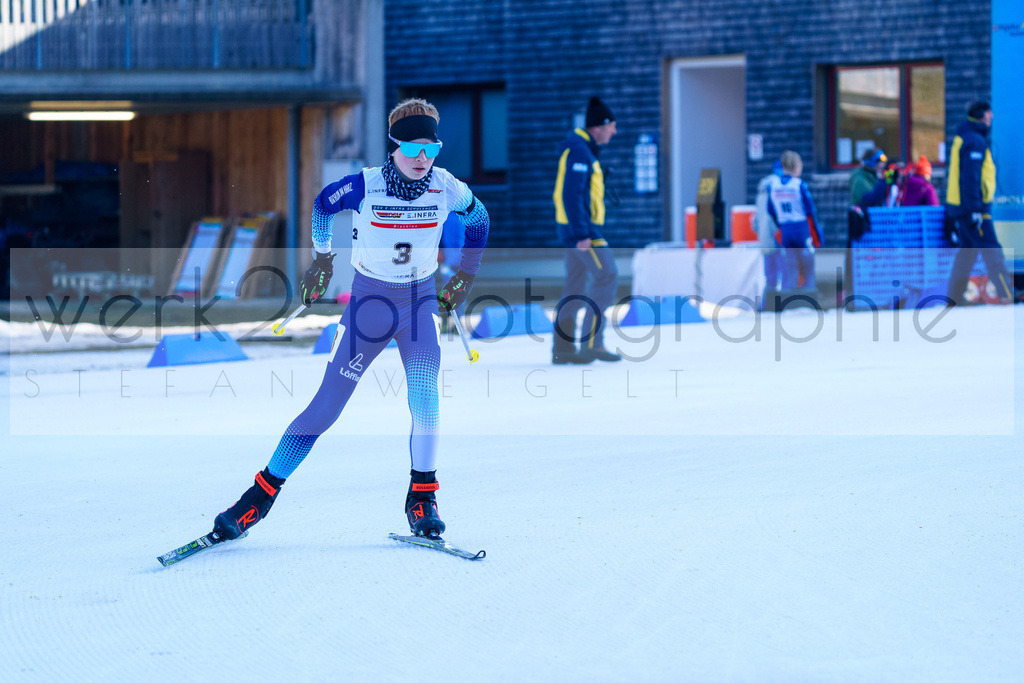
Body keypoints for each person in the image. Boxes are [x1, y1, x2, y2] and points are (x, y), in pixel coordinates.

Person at [209, 98, 490, 541]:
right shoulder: (367, 184)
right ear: (394, 146)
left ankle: (422, 497)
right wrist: (322, 261)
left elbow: (480, 220)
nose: (422, 159)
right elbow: (323, 206)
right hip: (370, 306)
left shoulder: (448, 187)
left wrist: (466, 276)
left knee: (427, 405)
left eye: (431, 150)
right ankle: (257, 500)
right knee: (325, 410)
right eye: (413, 149)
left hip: (418, 305)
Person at [551, 96, 621, 364]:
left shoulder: (581, 149)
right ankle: (593, 343)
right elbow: (572, 194)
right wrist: (582, 234)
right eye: (611, 126)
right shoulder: (580, 151)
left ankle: (564, 348)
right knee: (607, 276)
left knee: (575, 285)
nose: (614, 132)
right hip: (583, 232)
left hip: (574, 230)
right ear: (599, 126)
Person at [945, 101, 1013, 305]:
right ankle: (1006, 294)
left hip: (965, 207)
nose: (992, 116)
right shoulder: (974, 140)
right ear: (982, 115)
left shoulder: (967, 136)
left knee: (966, 254)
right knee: (992, 250)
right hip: (975, 208)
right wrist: (975, 209)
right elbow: (970, 177)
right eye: (989, 113)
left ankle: (953, 298)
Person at [767, 150, 822, 291]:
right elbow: (810, 210)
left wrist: (780, 223)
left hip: (785, 227)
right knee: (807, 264)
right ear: (797, 167)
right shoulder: (799, 184)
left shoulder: (773, 186)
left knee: (789, 265)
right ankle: (809, 294)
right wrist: (817, 234)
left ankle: (788, 297)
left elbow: (770, 210)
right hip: (801, 228)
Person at [753, 159, 784, 304]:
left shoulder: (761, 189)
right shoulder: (779, 186)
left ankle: (765, 303)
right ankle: (778, 302)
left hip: (764, 237)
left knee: (769, 273)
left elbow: (755, 221)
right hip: (776, 235)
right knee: (782, 271)